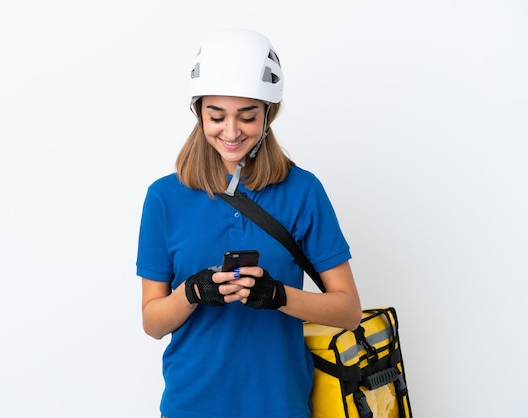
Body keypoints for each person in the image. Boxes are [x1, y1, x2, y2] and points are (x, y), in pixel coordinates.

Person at [137, 28, 362, 418]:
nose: (231, 131)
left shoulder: (303, 191)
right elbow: (153, 323)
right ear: (198, 111)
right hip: (191, 405)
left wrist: (277, 296)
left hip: (280, 404)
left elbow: (348, 311)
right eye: (216, 116)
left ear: (268, 113)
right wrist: (192, 292)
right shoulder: (163, 198)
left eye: (247, 116)